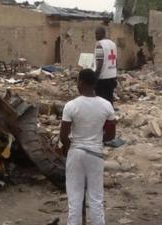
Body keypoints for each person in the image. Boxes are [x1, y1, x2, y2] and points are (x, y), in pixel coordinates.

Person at [60, 69, 116, 225]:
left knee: (75, 200)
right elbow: (111, 135)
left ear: (81, 82)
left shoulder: (71, 106)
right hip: (96, 154)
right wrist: (97, 140)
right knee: (96, 199)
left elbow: (63, 136)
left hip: (76, 152)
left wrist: (74, 147)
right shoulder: (106, 106)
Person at [94, 27, 118, 105]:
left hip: (103, 77)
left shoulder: (99, 44)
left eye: (97, 34)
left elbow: (100, 61)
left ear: (102, 34)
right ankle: (110, 115)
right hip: (112, 75)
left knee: (101, 100)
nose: (96, 36)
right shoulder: (113, 43)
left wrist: (96, 76)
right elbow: (116, 60)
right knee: (109, 98)